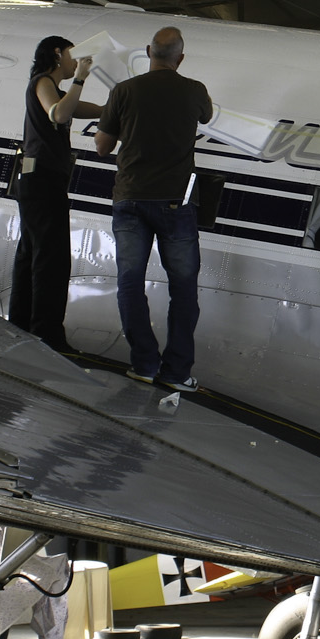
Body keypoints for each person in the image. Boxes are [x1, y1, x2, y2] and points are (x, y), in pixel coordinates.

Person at [95, 26, 214, 392]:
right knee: (183, 289)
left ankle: (144, 363)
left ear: (148, 51)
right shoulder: (194, 91)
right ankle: (176, 373)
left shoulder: (124, 91)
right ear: (180, 57)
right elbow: (206, 118)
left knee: (130, 283)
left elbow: (102, 146)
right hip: (175, 204)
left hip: (130, 199)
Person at [9, 35, 102, 354]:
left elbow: (77, 108)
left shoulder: (52, 88)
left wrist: (110, 108)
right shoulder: (43, 83)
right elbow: (59, 114)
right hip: (43, 180)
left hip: (37, 180)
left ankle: (20, 325)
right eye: (73, 56)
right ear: (58, 54)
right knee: (52, 257)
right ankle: (47, 333)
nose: (76, 62)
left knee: (32, 253)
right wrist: (80, 78)